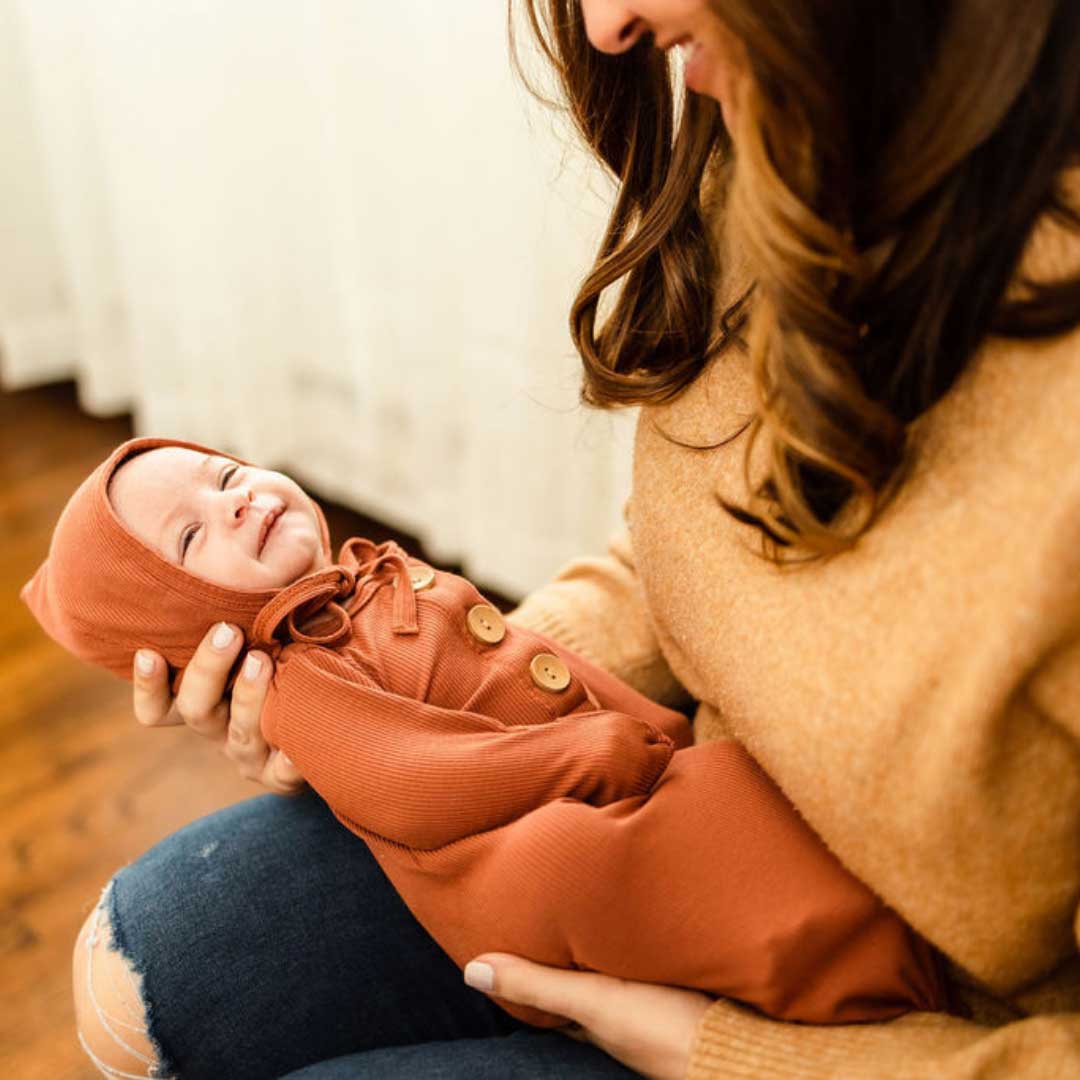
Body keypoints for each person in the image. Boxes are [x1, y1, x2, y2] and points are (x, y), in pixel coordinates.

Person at [70, 1, 1080, 1078]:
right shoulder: (772, 131)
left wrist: (713, 1051)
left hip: (914, 1025)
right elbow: (691, 556)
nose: (603, 25)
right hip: (651, 821)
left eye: (225, 477)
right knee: (142, 959)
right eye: (188, 534)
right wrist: (436, 689)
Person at [27, 436, 945, 1033]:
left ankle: (865, 941)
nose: (235, 503)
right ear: (185, 619)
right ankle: (866, 974)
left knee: (712, 826)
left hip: (587, 776)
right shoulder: (301, 680)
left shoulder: (359, 581)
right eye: (190, 541)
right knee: (604, 864)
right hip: (510, 859)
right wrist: (592, 748)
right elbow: (414, 780)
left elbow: (505, 660)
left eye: (225, 475)